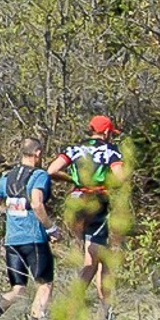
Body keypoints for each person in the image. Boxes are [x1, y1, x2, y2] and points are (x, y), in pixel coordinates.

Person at [0, 140, 58, 320]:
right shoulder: (39, 175)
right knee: (44, 284)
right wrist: (51, 229)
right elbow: (37, 203)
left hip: (12, 240)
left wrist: (10, 209)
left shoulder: (7, 176)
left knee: (18, 288)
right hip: (34, 239)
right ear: (38, 153)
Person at [52, 115, 125, 302]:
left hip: (75, 201)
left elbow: (51, 170)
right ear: (107, 132)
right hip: (96, 202)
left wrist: (73, 180)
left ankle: (99, 306)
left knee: (92, 254)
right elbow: (121, 177)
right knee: (97, 259)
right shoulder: (110, 151)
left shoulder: (74, 149)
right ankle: (80, 303)